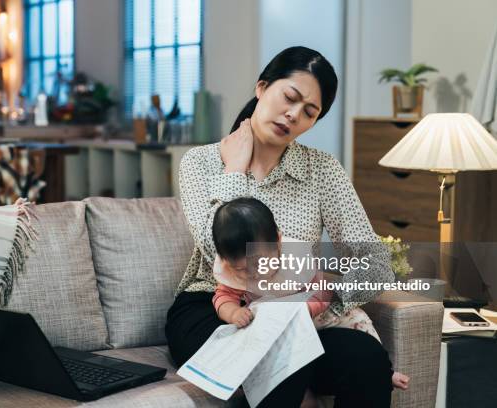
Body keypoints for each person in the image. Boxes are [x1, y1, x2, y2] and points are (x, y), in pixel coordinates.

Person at [165, 46, 397, 407]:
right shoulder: (201, 162)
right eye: (289, 97)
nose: (293, 115)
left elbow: (377, 265)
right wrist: (234, 172)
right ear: (262, 88)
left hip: (297, 312)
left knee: (366, 359)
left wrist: (324, 293)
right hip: (216, 308)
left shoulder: (322, 170)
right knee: (281, 350)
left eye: (309, 112)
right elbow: (220, 252)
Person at [210, 197, 410, 391]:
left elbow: (323, 292)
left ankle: (387, 371)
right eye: (242, 270)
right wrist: (234, 313)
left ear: (278, 242)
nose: (253, 272)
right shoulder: (231, 269)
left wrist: (307, 309)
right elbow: (223, 297)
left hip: (316, 315)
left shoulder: (297, 259)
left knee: (359, 320)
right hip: (276, 326)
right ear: (227, 261)